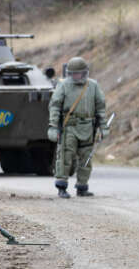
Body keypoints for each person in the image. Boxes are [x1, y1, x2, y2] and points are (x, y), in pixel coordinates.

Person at [47, 57, 109, 199]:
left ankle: (82, 186)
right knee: (65, 157)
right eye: (73, 73)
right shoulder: (63, 86)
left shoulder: (93, 86)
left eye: (78, 73)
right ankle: (62, 186)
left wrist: (103, 127)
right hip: (70, 128)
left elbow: (100, 108)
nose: (75, 76)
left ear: (84, 73)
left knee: (86, 159)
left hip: (88, 127)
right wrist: (53, 126)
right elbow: (55, 106)